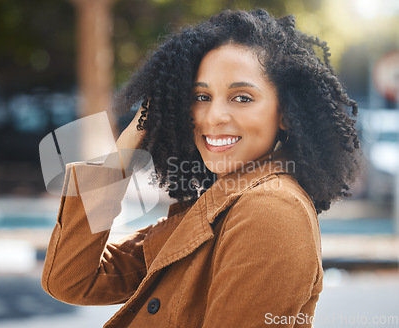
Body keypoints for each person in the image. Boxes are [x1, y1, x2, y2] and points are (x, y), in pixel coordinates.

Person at [41, 9, 362, 327]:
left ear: (285, 113)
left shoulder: (270, 210)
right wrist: (128, 144)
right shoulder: (219, 204)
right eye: (201, 96)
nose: (213, 116)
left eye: (242, 98)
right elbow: (71, 280)